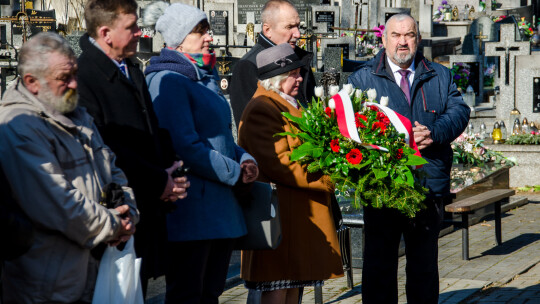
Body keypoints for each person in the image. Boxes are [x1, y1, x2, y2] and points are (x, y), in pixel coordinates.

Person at [0, 32, 138, 304]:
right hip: (49, 281)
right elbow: (56, 201)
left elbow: (112, 167)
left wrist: (129, 211)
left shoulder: (77, 113)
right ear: (32, 82)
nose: (76, 83)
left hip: (92, 271)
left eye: (75, 73)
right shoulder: (18, 125)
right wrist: (113, 224)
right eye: (65, 78)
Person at [348, 14, 470, 304]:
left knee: (424, 268)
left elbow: (459, 111)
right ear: (383, 38)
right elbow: (350, 128)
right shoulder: (363, 78)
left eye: (410, 35)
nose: (403, 42)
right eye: (396, 35)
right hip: (383, 188)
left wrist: (434, 132)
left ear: (418, 37)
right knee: (379, 268)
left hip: (427, 185)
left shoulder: (439, 75)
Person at [143, 3, 259, 303]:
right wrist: (234, 172)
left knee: (209, 294)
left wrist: (245, 159)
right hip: (192, 212)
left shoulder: (202, 77)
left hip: (218, 211)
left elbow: (220, 136)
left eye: (207, 30)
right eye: (200, 31)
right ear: (178, 40)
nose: (209, 37)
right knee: (188, 295)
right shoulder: (167, 80)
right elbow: (184, 146)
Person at [77, 0, 189, 295]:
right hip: (118, 206)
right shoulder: (85, 77)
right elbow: (106, 145)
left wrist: (173, 169)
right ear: (105, 33)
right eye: (131, 27)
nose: (140, 33)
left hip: (148, 203)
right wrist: (158, 180)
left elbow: (152, 128)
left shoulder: (130, 68)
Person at [238, 43, 344, 304]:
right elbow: (281, 164)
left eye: (299, 73)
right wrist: (327, 179)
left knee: (293, 286)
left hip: (295, 215)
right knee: (278, 286)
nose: (300, 79)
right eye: (294, 74)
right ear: (276, 78)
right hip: (280, 216)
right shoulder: (263, 107)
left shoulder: (284, 102)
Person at [229, 0, 316, 127]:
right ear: (268, 30)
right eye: (289, 27)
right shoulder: (248, 66)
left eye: (298, 26)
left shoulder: (300, 57)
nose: (297, 34)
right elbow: (250, 126)